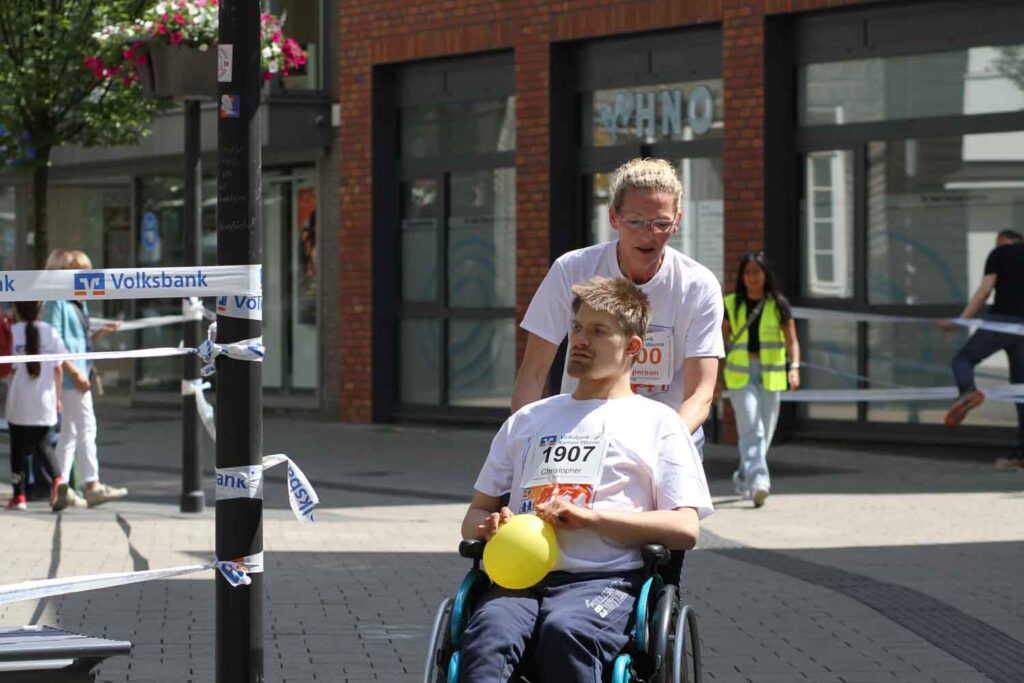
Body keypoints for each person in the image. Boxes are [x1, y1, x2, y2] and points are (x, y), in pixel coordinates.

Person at [459, 276, 713, 682]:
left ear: (632, 347)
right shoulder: (528, 420)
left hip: (606, 582)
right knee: (489, 636)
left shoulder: (659, 424)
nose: (580, 340)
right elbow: (474, 515)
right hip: (517, 582)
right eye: (577, 328)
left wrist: (592, 520)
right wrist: (490, 527)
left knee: (566, 631)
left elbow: (684, 529)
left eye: (598, 332)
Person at [513, 157, 724, 455]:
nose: (647, 234)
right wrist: (520, 446)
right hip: (580, 437)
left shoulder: (698, 284)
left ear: (677, 222)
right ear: (614, 218)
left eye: (660, 223)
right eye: (635, 221)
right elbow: (533, 372)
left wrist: (663, 442)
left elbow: (701, 393)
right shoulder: (572, 270)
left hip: (667, 438)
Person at [43, 249, 126, 510]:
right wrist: (74, 372)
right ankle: (92, 485)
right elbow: (54, 340)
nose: (85, 276)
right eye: (79, 270)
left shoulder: (76, 300)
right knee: (85, 427)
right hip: (72, 378)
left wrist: (99, 332)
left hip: (77, 374)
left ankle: (61, 487)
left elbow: (77, 340)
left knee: (70, 432)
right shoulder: (57, 301)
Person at [720, 251, 800, 508]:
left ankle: (744, 476)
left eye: (757, 272)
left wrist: (794, 367)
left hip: (770, 374)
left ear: (766, 274)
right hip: (740, 375)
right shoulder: (730, 304)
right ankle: (759, 483)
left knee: (764, 432)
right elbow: (719, 343)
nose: (752, 277)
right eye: (747, 273)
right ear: (742, 277)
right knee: (752, 428)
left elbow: (792, 340)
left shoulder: (778, 304)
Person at [939, 229, 1024, 469]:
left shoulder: (999, 253)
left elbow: (985, 290)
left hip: (1000, 322)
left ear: (1002, 242)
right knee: (1021, 392)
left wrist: (960, 321)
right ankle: (1021, 456)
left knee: (963, 359)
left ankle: (968, 392)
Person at [4, 302, 63, 511]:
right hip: (45, 401)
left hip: (19, 401)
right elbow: (58, 368)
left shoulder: (12, 331)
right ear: (41, 310)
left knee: (18, 450)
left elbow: (7, 367)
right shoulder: (51, 332)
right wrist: (58, 398)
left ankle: (19, 496)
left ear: (17, 310)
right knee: (44, 446)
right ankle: (58, 480)